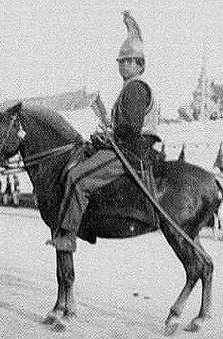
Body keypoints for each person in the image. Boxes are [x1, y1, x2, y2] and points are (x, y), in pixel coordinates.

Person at [50, 11, 161, 252]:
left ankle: (68, 236)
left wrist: (108, 137)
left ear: (139, 64)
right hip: (128, 146)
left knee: (76, 178)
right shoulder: (131, 88)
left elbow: (130, 127)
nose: (123, 65)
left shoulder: (135, 88)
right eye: (121, 61)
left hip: (129, 152)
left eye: (128, 61)